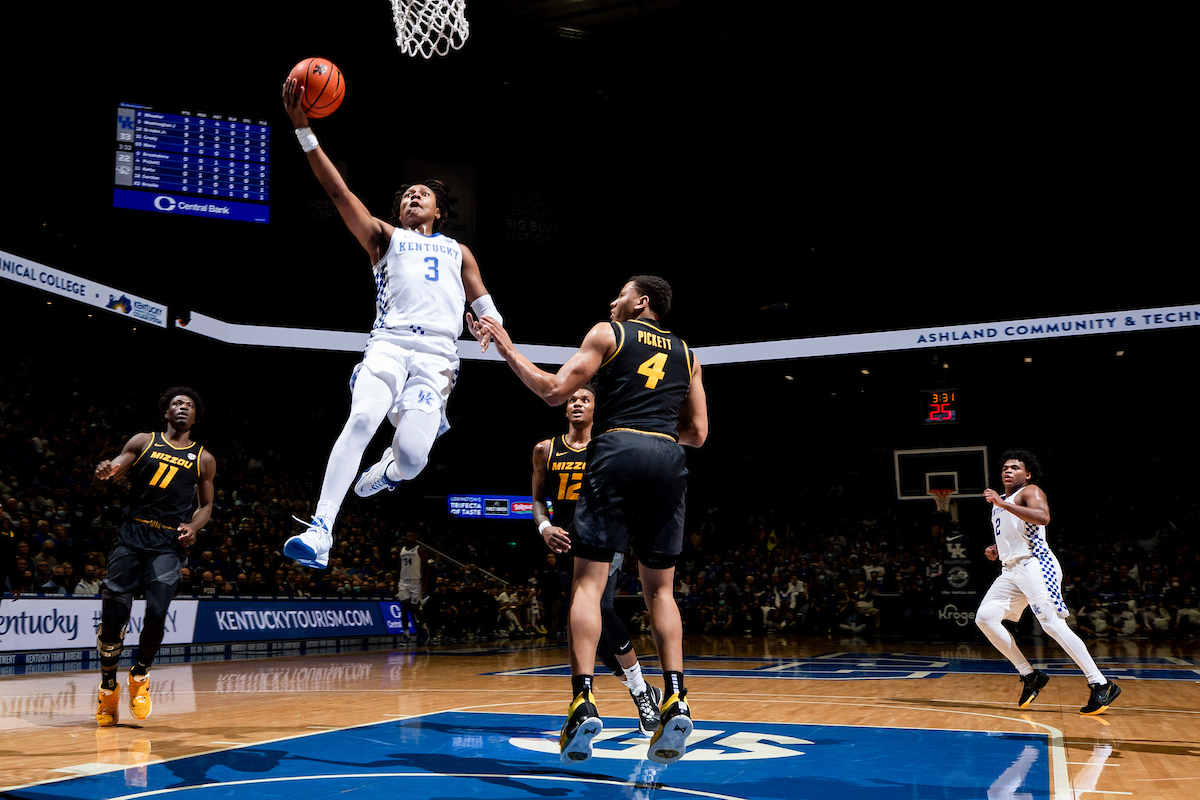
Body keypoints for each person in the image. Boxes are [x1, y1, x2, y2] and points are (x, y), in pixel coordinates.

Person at [479, 274, 708, 765]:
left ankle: (582, 702)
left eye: (620, 294)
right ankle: (675, 698)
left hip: (618, 450)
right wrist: (655, 429)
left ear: (641, 302)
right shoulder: (688, 354)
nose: (612, 300)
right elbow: (697, 432)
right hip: (668, 457)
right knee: (661, 591)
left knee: (587, 586)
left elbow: (552, 390)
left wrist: (506, 347)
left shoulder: (609, 333)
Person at [279, 77, 501, 569]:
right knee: (361, 419)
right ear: (398, 211)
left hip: (438, 358)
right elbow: (337, 190)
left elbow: (486, 305)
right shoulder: (384, 237)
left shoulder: (458, 251)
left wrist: (490, 327)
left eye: (423, 194)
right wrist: (303, 129)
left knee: (415, 458)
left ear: (440, 211)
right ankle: (321, 529)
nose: (414, 197)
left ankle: (390, 471)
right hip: (389, 345)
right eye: (407, 195)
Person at [531, 385, 663, 737]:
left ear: (594, 408)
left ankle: (639, 693)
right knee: (589, 631)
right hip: (566, 545)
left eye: (584, 399)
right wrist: (545, 527)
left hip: (605, 539)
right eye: (572, 400)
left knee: (601, 608)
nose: (577, 403)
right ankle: (641, 689)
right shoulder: (545, 449)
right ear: (565, 409)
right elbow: (538, 500)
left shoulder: (607, 446)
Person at [92, 387, 216, 727]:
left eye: (189, 405)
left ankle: (140, 675)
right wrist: (103, 473)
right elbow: (109, 476)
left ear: (195, 416)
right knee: (114, 618)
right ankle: (107, 687)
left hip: (167, 542)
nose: (182, 407)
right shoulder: (143, 441)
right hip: (132, 535)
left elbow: (206, 505)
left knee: (157, 612)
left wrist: (193, 526)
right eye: (176, 403)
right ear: (166, 412)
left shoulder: (203, 458)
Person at [975, 450, 1120, 716]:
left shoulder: (1030, 491)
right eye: (1005, 468)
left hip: (1036, 564)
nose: (1008, 471)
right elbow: (1013, 532)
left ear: (1027, 474)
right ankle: (1030, 675)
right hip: (1010, 569)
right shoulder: (1001, 502)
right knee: (985, 618)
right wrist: (997, 548)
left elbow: (1042, 518)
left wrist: (1002, 504)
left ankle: (1101, 683)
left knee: (1052, 624)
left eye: (1015, 468)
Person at [396, 530, 429, 643]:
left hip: (415, 582)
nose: (409, 537)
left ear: (415, 537)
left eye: (411, 536)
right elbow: (399, 568)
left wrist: (425, 585)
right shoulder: (401, 550)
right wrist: (396, 584)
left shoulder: (419, 549)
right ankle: (406, 635)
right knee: (404, 608)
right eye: (408, 536)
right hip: (403, 581)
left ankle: (424, 627)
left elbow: (426, 567)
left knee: (416, 608)